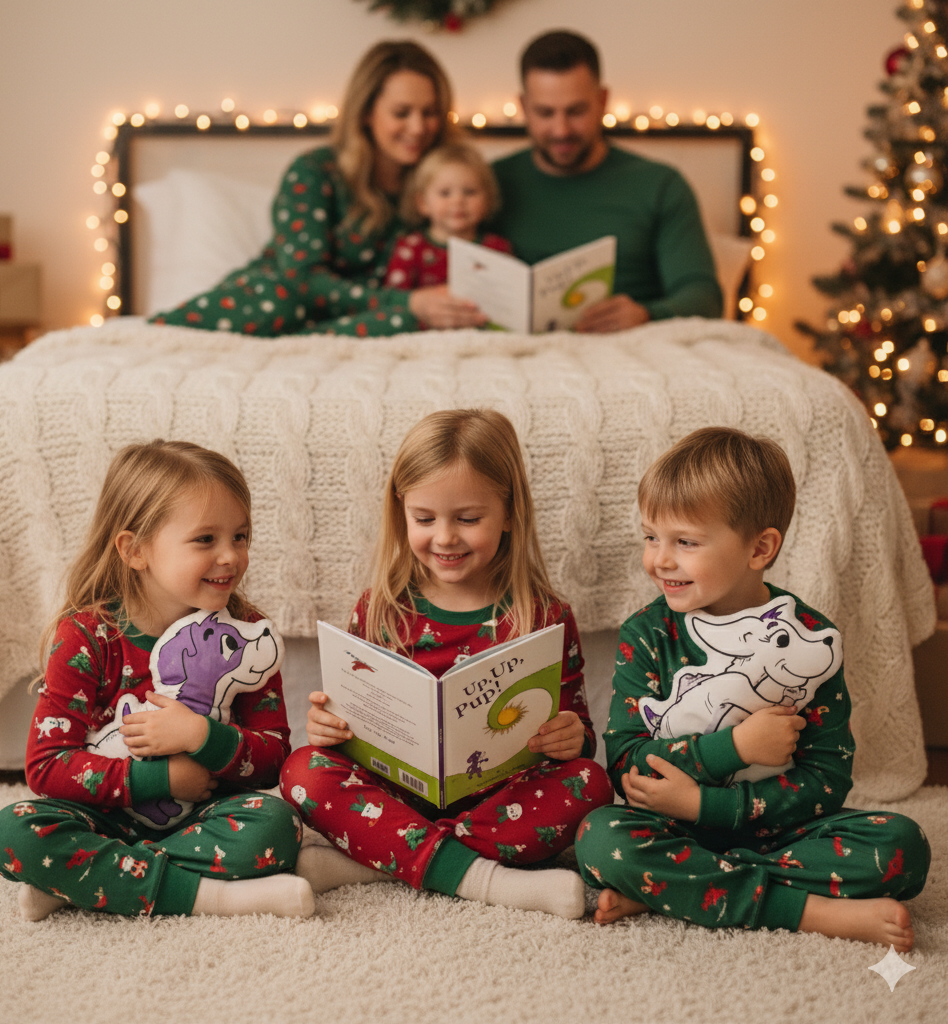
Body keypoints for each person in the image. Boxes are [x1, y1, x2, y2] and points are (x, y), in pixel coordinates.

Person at [575, 427, 930, 949]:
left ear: (760, 547)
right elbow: (629, 765)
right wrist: (734, 750)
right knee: (600, 839)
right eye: (651, 536)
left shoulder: (808, 641)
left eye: (685, 542)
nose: (660, 559)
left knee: (902, 845)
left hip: (782, 831)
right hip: (673, 826)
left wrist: (712, 805)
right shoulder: (647, 634)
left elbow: (828, 778)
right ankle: (810, 912)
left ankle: (673, 888)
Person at [280, 408, 612, 918]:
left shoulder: (544, 615)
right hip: (397, 790)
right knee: (303, 769)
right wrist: (329, 727)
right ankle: (485, 880)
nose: (445, 538)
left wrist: (571, 736)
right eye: (424, 518)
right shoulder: (381, 607)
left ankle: (375, 862)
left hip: (497, 799)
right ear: (401, 513)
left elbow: (578, 732)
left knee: (590, 784)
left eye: (468, 519)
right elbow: (349, 719)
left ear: (509, 512)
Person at [0, 440, 314, 920]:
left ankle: (89, 881)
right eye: (206, 540)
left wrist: (203, 737)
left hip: (205, 818)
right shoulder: (86, 636)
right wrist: (159, 778)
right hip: (101, 820)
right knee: (13, 832)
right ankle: (212, 898)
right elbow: (47, 766)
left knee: (277, 825)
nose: (231, 556)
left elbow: (271, 761)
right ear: (135, 549)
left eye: (240, 536)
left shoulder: (246, 636)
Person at [150, 40, 485, 337]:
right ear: (366, 112)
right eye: (402, 112)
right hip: (284, 301)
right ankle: (161, 333)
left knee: (410, 322)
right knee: (277, 299)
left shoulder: (445, 185)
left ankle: (307, 341)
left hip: (371, 320)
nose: (418, 127)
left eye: (430, 113)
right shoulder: (314, 170)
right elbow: (302, 278)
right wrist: (409, 302)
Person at [490, 30, 723, 332]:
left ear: (602, 100)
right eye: (545, 113)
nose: (561, 130)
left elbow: (704, 298)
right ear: (523, 107)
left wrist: (646, 315)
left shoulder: (660, 185)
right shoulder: (484, 186)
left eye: (576, 111)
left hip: (635, 350)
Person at [384, 142, 512, 292]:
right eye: (445, 193)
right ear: (423, 203)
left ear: (488, 199)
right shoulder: (410, 250)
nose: (458, 201)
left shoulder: (497, 249)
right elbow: (396, 300)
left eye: (469, 192)